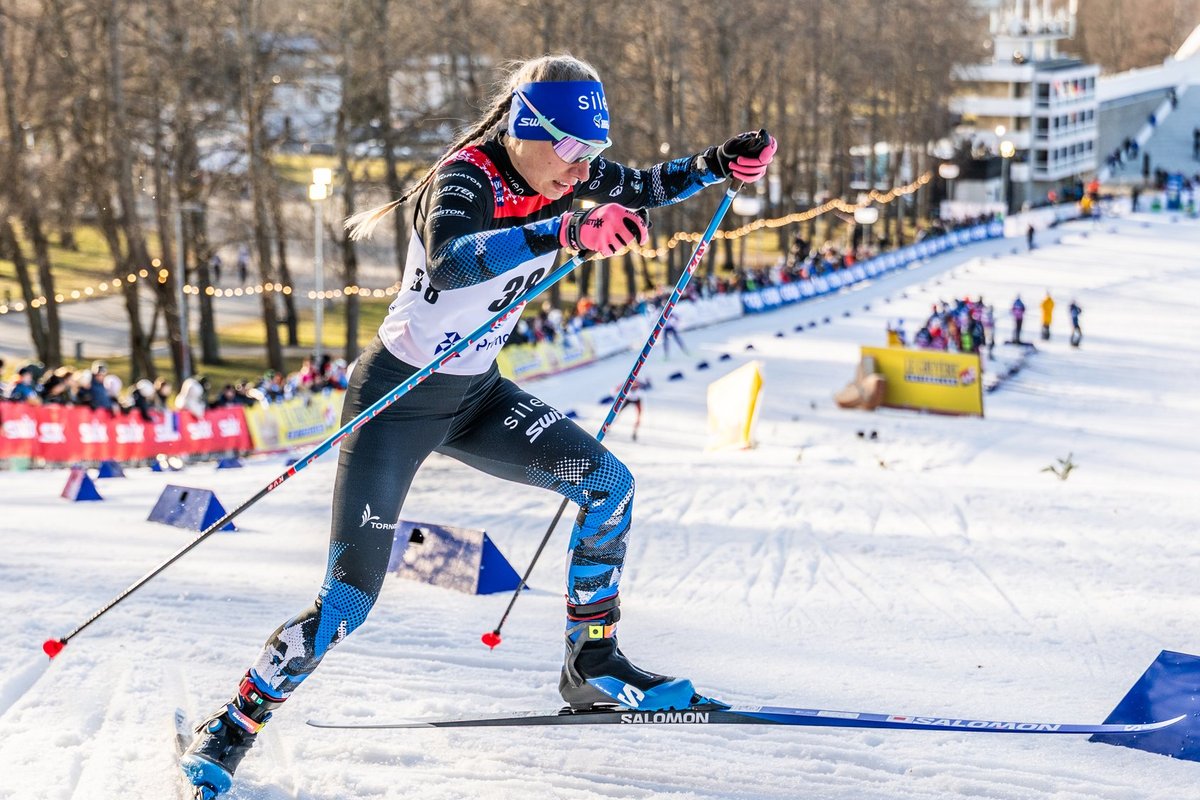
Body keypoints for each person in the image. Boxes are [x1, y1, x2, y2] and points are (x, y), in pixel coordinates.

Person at [179, 53, 776, 798]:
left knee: (610, 486)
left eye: (590, 154)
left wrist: (722, 162)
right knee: (347, 601)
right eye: (568, 150)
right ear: (527, 129)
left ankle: (591, 665)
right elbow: (458, 260)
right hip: (396, 400)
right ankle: (231, 726)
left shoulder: (565, 174)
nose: (581, 168)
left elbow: (651, 183)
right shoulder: (463, 177)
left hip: (476, 397)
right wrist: (564, 233)